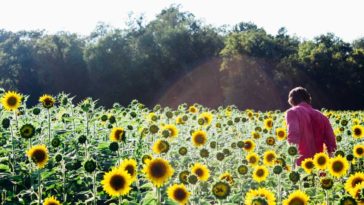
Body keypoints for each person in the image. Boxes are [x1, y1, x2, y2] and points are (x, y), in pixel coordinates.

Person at [285, 87, 337, 166]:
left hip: (301, 166)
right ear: (308, 99)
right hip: (319, 165)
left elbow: (293, 136)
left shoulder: (293, 112)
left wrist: (293, 164)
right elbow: (331, 144)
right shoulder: (322, 116)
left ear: (292, 100)